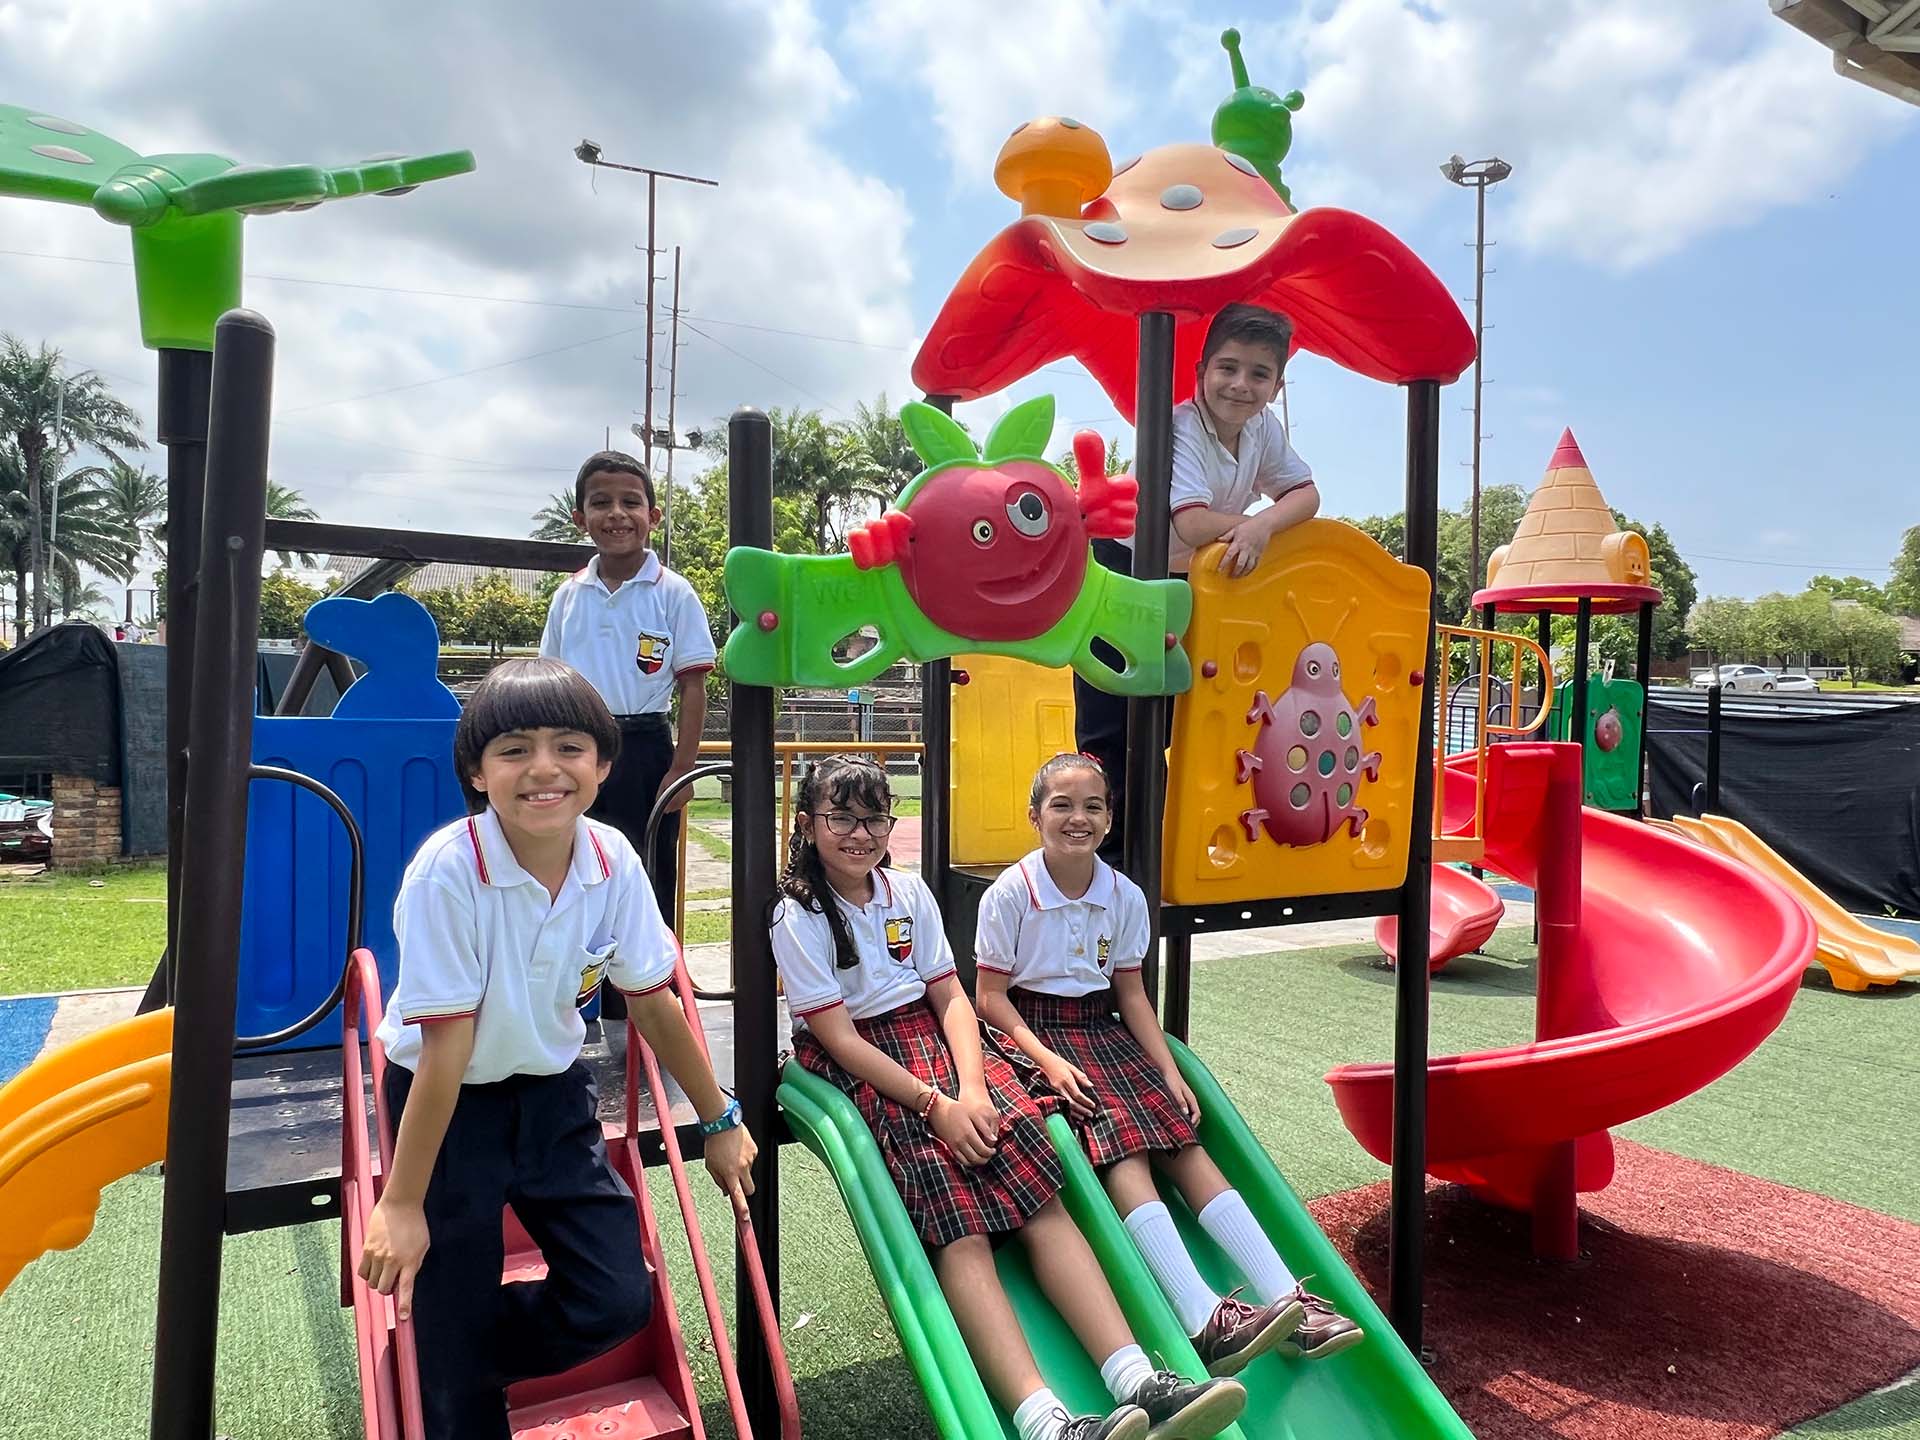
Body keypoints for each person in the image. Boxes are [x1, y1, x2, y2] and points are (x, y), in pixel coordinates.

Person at [771, 755, 1247, 1440]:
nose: (860, 834)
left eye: (874, 818)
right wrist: (936, 1107)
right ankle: (1044, 1420)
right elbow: (839, 1038)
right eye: (840, 819)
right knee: (960, 1226)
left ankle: (1137, 1378)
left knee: (1038, 1192)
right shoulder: (798, 914)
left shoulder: (907, 891)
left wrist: (972, 1087)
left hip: (938, 1042)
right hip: (869, 1061)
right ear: (808, 824)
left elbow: (951, 997)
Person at [358, 657, 755, 1440]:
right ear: (477, 774)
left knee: (615, 1296)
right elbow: (446, 1049)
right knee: (454, 1356)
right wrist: (400, 1203)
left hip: (551, 1094)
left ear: (603, 766)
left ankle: (461, 1348)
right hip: (447, 1105)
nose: (544, 768)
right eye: (514, 751)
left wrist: (718, 1118)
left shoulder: (612, 860)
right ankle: (454, 1357)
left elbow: (653, 1000)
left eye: (569, 748)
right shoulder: (449, 872)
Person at [975, 753, 1363, 1370]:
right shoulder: (1011, 893)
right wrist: (1046, 1061)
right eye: (1061, 805)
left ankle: (1289, 1299)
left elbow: (1130, 993)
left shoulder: (1123, 895)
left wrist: (1169, 1070)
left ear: (1109, 817)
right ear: (1034, 815)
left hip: (1098, 1028)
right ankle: (1200, 1315)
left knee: (1182, 1141)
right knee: (1124, 1151)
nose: (1078, 818)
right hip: (1031, 1032)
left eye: (1093, 806)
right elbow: (990, 998)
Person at [1073, 303, 1320, 858]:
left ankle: (1154, 850)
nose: (1241, 384)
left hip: (1183, 582)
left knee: (1168, 721)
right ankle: (1105, 857)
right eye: (1227, 368)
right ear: (1201, 372)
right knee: (1111, 722)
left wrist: (1261, 527)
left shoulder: (1262, 428)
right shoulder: (1179, 427)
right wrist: (1253, 527)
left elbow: (1307, 494)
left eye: (1259, 374)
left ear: (1277, 386)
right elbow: (1193, 521)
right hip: (1120, 570)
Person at [540, 450, 714, 925]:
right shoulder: (568, 596)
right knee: (575, 870)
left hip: (645, 753)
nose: (616, 514)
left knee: (648, 874)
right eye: (601, 503)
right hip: (576, 749)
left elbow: (693, 686)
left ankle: (650, 972)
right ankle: (580, 972)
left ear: (653, 517)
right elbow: (548, 685)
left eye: (630, 502)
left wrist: (681, 770)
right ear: (580, 518)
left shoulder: (673, 592)